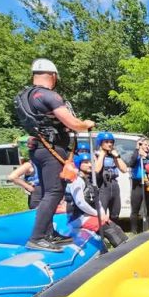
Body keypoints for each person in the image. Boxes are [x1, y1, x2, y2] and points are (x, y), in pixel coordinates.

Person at [17, 58, 94, 252]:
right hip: (52, 149)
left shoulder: (25, 96)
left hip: (39, 149)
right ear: (52, 76)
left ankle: (49, 233)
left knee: (46, 192)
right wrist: (86, 124)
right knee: (54, 192)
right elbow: (73, 123)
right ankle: (38, 237)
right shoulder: (49, 95)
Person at [65, 153, 128, 247]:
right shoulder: (77, 181)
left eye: (91, 162)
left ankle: (127, 247)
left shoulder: (89, 180)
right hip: (78, 218)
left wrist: (102, 213)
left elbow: (97, 201)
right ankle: (121, 252)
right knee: (109, 230)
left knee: (115, 227)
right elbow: (80, 203)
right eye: (86, 162)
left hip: (89, 215)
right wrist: (97, 214)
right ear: (79, 164)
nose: (90, 165)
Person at [127, 136, 149, 233]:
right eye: (145, 145)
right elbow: (131, 163)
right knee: (135, 209)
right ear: (141, 145)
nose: (147, 147)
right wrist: (137, 149)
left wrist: (146, 156)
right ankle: (134, 231)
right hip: (137, 184)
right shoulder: (136, 155)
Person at [93, 132, 127, 223]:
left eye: (111, 142)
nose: (110, 144)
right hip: (103, 185)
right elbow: (96, 169)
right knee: (101, 213)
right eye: (107, 142)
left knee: (115, 213)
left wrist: (117, 156)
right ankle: (100, 234)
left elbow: (124, 169)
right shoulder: (95, 155)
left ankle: (113, 232)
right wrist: (102, 155)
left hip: (114, 184)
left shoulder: (114, 155)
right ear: (100, 143)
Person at [8, 137, 42, 209]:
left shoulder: (45, 163)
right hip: (37, 196)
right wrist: (29, 187)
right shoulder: (29, 164)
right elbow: (12, 177)